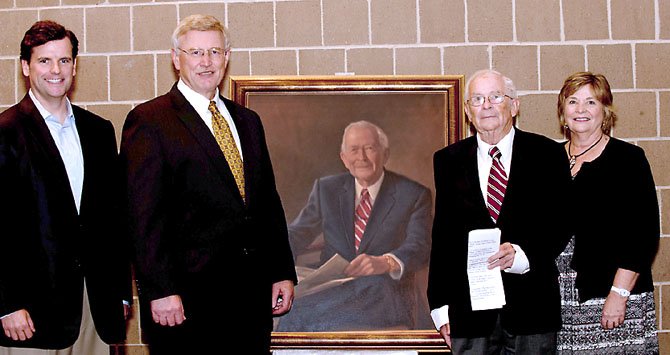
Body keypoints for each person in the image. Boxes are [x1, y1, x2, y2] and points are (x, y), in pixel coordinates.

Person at [119, 14, 297, 354]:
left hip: (249, 302)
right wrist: (159, 290)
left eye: (214, 52)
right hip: (185, 304)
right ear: (176, 58)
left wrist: (282, 271)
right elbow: (142, 217)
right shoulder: (150, 121)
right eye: (195, 53)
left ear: (226, 57)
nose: (206, 62)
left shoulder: (247, 121)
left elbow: (266, 204)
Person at [0, 20, 131, 355]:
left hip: (94, 309)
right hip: (29, 315)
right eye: (44, 61)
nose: (55, 70)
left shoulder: (99, 131)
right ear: (26, 67)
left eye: (64, 60)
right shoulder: (6, 131)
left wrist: (120, 292)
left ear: (75, 65)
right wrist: (6, 303)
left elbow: (113, 219)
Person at [427, 69, 572, 354]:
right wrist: (441, 307)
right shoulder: (447, 160)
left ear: (514, 105)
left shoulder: (547, 154)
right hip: (469, 313)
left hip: (532, 308)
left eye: (495, 97)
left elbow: (561, 221)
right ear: (468, 112)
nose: (487, 105)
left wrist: (522, 255)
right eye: (478, 99)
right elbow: (443, 236)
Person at [276, 120, 433, 331]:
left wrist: (386, 262)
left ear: (385, 154)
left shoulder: (413, 194)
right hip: (332, 287)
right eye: (354, 150)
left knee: (314, 320)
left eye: (370, 148)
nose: (361, 158)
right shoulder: (327, 189)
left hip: (384, 292)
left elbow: (421, 245)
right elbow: (297, 234)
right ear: (344, 158)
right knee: (291, 313)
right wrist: (277, 266)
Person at [555, 72, 659, 354]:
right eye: (573, 101)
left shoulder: (629, 159)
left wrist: (619, 293)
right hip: (559, 301)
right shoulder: (549, 159)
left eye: (591, 102)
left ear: (605, 110)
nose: (581, 110)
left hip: (611, 294)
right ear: (563, 110)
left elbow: (643, 235)